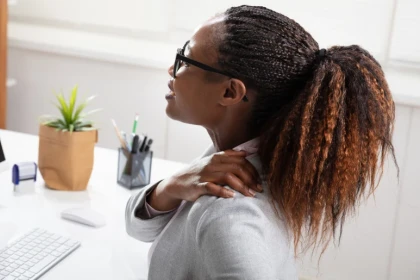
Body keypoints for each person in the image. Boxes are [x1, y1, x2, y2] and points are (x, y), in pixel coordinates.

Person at [125, 5, 397, 280]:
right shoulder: (229, 161)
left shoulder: (229, 209)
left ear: (230, 91)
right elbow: (139, 228)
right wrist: (173, 186)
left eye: (186, 58)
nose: (172, 69)